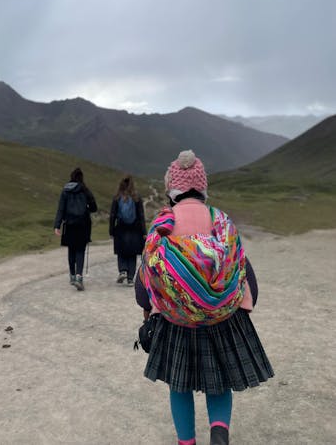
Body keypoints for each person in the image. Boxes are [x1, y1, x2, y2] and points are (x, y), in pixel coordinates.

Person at [135, 150, 273, 445]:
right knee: (218, 381)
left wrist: (148, 308)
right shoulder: (220, 221)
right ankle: (219, 432)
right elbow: (243, 268)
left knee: (179, 385)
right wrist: (243, 306)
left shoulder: (163, 224)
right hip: (222, 319)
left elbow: (145, 277)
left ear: (172, 187)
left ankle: (187, 442)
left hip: (175, 321)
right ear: (203, 187)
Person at [53, 167, 97, 291]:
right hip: (83, 225)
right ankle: (79, 276)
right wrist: (87, 208)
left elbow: (61, 209)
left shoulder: (65, 191)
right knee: (80, 250)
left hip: (69, 225)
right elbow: (94, 207)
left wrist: (57, 225)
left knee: (71, 249)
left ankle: (72, 275)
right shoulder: (85, 190)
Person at [109, 175, 147, 285]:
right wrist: (144, 232)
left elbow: (112, 215)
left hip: (121, 228)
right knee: (132, 254)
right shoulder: (137, 197)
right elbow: (141, 215)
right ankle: (130, 278)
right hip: (135, 229)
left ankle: (123, 271)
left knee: (121, 252)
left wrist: (111, 230)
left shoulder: (117, 197)